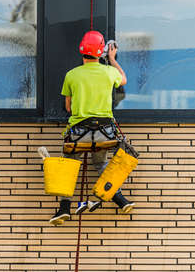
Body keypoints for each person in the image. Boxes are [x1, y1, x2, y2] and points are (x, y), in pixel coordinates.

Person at [49, 30, 134, 226]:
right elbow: (123, 79)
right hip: (105, 134)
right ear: (100, 52)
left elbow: (69, 108)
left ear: (82, 52)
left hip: (79, 133)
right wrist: (112, 59)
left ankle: (64, 208)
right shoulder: (109, 72)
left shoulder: (71, 75)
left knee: (69, 167)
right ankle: (120, 200)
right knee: (101, 164)